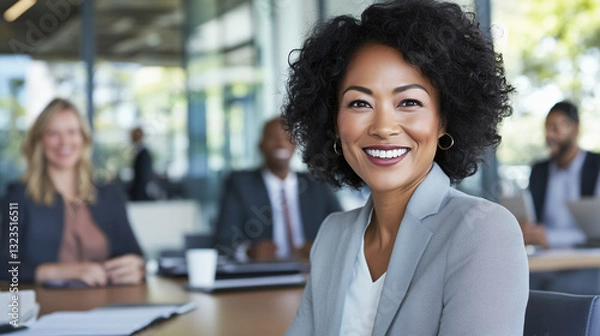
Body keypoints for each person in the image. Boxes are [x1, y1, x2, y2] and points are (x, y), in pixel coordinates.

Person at [282, 1, 528, 335]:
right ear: (333, 123)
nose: (383, 127)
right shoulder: (332, 235)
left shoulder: (481, 231)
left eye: (409, 102)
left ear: (444, 120)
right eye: (359, 103)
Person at [0, 98, 145, 286]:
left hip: (109, 304)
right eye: (53, 133)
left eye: (72, 132)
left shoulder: (109, 195)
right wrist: (61, 271)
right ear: (39, 141)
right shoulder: (18, 196)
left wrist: (137, 267)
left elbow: (134, 254)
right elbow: (4, 265)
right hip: (45, 308)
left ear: (83, 138)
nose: (64, 142)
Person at [215, 117, 342, 261]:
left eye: (287, 138)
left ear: (296, 145)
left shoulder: (317, 183)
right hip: (262, 273)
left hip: (310, 269)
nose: (280, 143)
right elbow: (223, 240)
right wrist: (248, 251)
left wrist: (322, 246)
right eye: (272, 138)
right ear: (260, 145)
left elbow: (343, 231)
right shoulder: (240, 184)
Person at [524, 101, 600, 294]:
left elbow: (595, 234)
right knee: (518, 286)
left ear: (575, 129)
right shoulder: (539, 171)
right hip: (544, 261)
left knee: (558, 289)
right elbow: (533, 217)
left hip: (588, 262)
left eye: (556, 128)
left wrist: (548, 237)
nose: (549, 135)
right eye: (547, 129)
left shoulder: (596, 167)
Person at [129, 126, 154, 201]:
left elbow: (143, 178)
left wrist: (138, 196)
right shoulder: (140, 152)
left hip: (140, 195)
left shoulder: (143, 154)